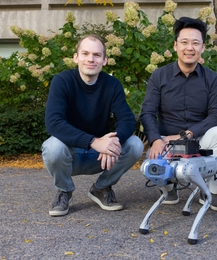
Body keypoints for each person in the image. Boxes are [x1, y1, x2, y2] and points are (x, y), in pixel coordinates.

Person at [140, 17, 217, 212]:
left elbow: (216, 115)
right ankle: (168, 189)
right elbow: (147, 112)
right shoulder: (159, 76)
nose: (189, 48)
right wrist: (155, 139)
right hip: (167, 141)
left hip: (199, 140)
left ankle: (210, 191)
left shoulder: (211, 78)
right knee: (153, 155)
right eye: (184, 42)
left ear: (202, 47)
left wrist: (187, 135)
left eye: (195, 43)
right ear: (175, 46)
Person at [42, 35, 144, 217]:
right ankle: (64, 191)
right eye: (85, 53)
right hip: (69, 155)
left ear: (104, 60)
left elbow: (127, 119)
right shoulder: (62, 81)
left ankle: (101, 188)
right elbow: (54, 123)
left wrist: (112, 142)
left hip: (101, 157)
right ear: (76, 57)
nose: (91, 59)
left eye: (97, 55)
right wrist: (93, 141)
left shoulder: (112, 85)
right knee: (52, 147)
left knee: (135, 144)